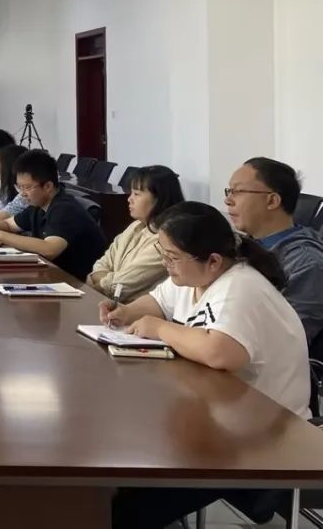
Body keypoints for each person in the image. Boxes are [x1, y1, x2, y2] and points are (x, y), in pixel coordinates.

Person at [107, 202, 310, 529]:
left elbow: (220, 352)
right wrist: (126, 312)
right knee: (123, 465)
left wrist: (159, 328)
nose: (166, 264)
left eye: (172, 257)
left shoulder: (241, 287)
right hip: (218, 421)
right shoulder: (193, 275)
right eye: (163, 254)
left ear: (213, 261)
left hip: (263, 436)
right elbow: (158, 301)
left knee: (123, 508)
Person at [226, 157, 323, 359]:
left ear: (272, 201)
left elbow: (287, 341)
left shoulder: (305, 262)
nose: (228, 200)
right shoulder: (240, 246)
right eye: (229, 191)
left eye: (238, 191)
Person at [0, 149, 106, 280]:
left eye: (27, 187)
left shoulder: (64, 209)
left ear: (48, 186)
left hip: (79, 283)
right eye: (19, 187)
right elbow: (9, 224)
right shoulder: (38, 205)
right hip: (52, 276)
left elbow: (49, 249)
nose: (22, 194)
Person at [87, 166, 184, 301]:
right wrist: (105, 279)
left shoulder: (166, 241)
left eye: (136, 194)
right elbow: (101, 265)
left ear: (159, 199)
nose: (129, 199)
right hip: (112, 304)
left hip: (135, 310)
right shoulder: (136, 226)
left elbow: (118, 287)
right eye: (131, 193)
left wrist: (103, 281)